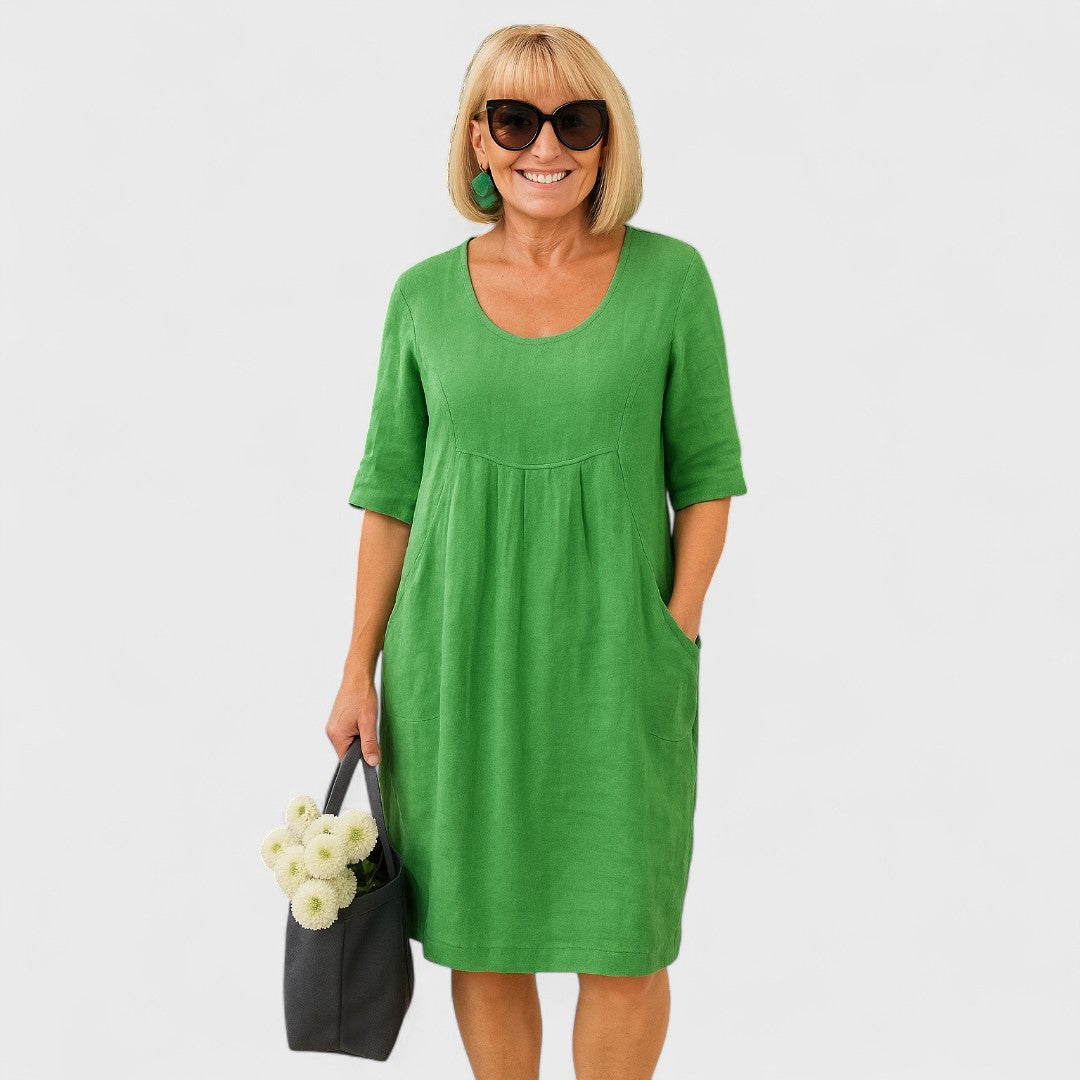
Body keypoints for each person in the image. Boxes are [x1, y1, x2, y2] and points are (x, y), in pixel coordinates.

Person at [326, 23, 748, 1080]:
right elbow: (390, 496)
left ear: (609, 139)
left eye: (575, 120)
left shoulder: (672, 280)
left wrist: (673, 627)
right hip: (453, 660)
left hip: (620, 660)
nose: (544, 146)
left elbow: (706, 477)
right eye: (514, 120)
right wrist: (358, 666)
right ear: (478, 139)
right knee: (484, 935)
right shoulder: (422, 297)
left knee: (627, 943)